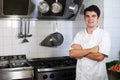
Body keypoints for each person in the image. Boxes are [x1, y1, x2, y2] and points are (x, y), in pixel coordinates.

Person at [69, 5, 111, 80]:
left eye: (93, 16)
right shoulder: (79, 34)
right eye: (87, 16)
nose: (90, 19)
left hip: (98, 77)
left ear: (98, 18)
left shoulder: (104, 34)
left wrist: (81, 51)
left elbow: (99, 57)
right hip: (82, 76)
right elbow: (72, 53)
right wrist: (91, 50)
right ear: (84, 18)